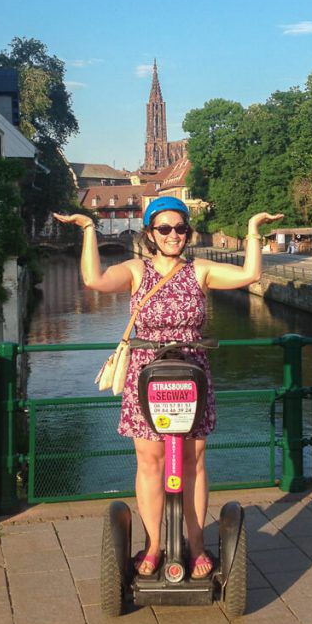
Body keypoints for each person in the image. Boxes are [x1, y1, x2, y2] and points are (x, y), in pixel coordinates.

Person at [53, 197, 283, 579]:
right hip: (147, 373)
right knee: (150, 462)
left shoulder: (200, 271)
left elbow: (248, 276)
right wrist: (89, 228)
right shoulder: (136, 270)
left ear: (188, 233)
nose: (173, 235)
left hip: (192, 372)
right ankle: (154, 544)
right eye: (164, 229)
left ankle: (196, 546)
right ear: (150, 234)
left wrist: (253, 231)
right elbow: (94, 280)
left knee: (193, 461)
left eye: (180, 228)